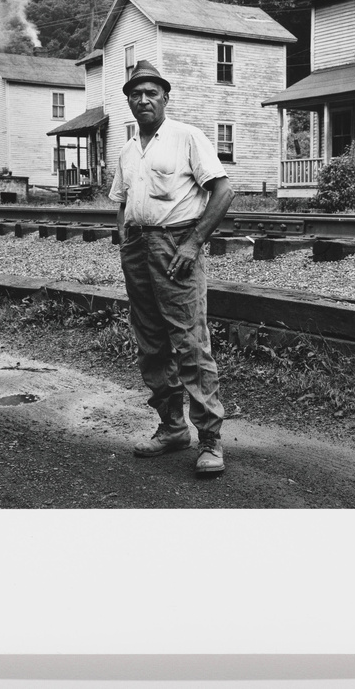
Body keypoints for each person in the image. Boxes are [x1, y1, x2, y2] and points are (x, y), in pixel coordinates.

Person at [109, 60, 234, 474]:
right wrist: (125, 236)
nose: (143, 100)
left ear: (165, 97)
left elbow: (223, 189)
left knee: (189, 343)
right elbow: (122, 200)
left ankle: (211, 441)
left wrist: (194, 241)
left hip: (176, 245)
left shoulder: (186, 137)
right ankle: (172, 427)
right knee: (150, 343)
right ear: (128, 101)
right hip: (138, 249)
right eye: (135, 94)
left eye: (152, 93)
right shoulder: (128, 149)